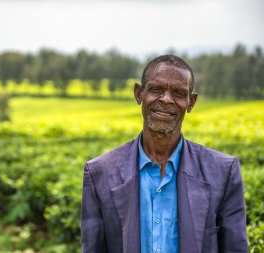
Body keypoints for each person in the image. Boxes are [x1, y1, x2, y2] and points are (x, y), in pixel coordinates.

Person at [80, 55, 248, 253]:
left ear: (191, 102)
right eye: (156, 89)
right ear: (139, 94)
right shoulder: (99, 173)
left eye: (178, 93)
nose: (166, 99)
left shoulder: (223, 172)